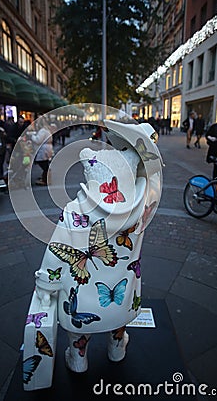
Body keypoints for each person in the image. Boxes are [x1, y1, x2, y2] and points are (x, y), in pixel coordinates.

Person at [33, 120, 163, 375]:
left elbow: (55, 250)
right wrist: (140, 149)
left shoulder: (74, 212)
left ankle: (78, 356)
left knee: (79, 319)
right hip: (123, 290)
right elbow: (150, 178)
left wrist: (45, 283)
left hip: (81, 293)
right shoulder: (143, 208)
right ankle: (117, 348)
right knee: (118, 315)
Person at [28, 117, 54, 185]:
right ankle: (45, 178)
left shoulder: (43, 130)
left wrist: (32, 136)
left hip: (44, 149)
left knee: (43, 163)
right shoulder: (46, 130)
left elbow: (38, 140)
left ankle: (45, 180)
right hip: (48, 148)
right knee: (45, 163)